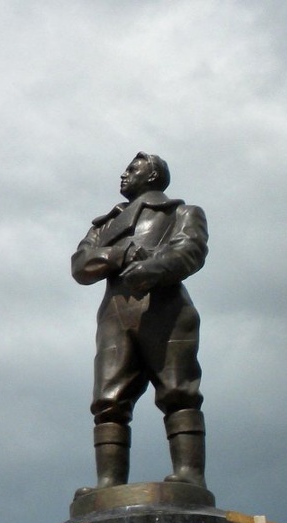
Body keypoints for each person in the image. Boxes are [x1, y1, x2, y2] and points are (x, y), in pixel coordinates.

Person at [71, 152, 209, 494]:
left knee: (179, 392)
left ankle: (190, 474)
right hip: (115, 315)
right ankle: (109, 483)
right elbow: (80, 265)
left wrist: (151, 268)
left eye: (133, 169)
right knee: (108, 401)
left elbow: (191, 251)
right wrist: (119, 254)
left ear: (153, 176)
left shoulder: (181, 212)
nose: (124, 174)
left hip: (166, 309)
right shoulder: (104, 225)